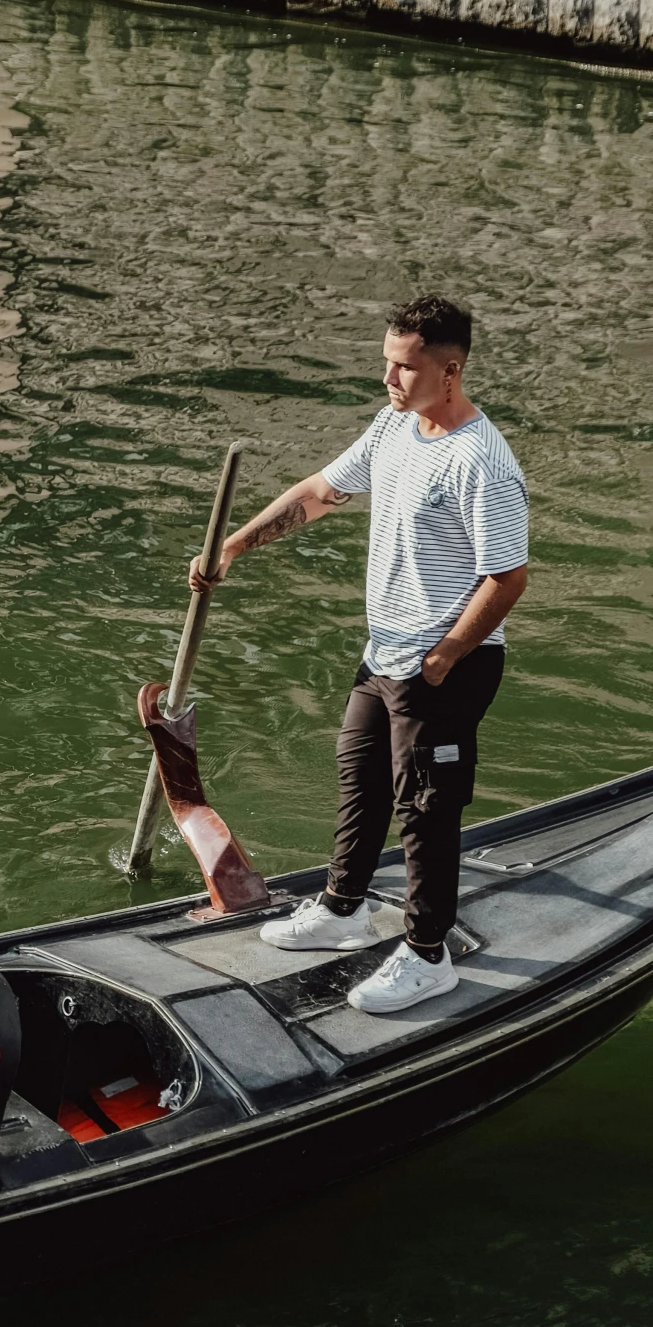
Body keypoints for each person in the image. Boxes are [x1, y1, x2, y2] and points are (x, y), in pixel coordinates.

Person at [189, 296, 528, 1015]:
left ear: (450, 369)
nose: (388, 379)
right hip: (385, 654)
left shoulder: (481, 461)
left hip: (444, 666)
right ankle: (343, 911)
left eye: (404, 368)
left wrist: (441, 659)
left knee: (425, 811)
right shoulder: (394, 426)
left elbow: (507, 577)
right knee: (359, 778)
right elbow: (320, 492)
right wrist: (232, 547)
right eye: (386, 363)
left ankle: (427, 953)